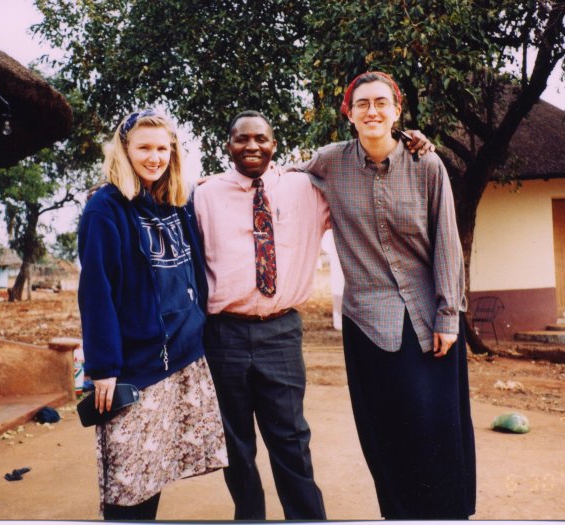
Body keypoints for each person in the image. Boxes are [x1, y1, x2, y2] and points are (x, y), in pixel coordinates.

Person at [297, 71, 476, 519]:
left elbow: (447, 241)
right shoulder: (330, 162)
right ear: (349, 114)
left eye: (382, 103)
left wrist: (448, 315)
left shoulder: (426, 164)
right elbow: (276, 181)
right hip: (369, 322)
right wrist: (210, 186)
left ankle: (448, 515)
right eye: (362, 104)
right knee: (386, 430)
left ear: (398, 111)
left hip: (430, 322)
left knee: (437, 429)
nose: (372, 111)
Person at [77, 109, 228, 521]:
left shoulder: (174, 204)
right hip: (134, 367)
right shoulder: (104, 210)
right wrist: (103, 367)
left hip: (181, 359)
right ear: (124, 150)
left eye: (162, 148)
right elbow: (96, 294)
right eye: (144, 147)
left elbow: (193, 270)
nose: (154, 157)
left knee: (155, 473)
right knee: (128, 487)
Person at [193, 110, 330, 520]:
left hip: (281, 333)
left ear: (274, 144)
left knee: (291, 438)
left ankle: (307, 518)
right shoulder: (204, 194)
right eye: (241, 139)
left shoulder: (306, 189)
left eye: (261, 139)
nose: (252, 146)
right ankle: (249, 517)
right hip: (223, 334)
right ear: (227, 145)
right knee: (235, 445)